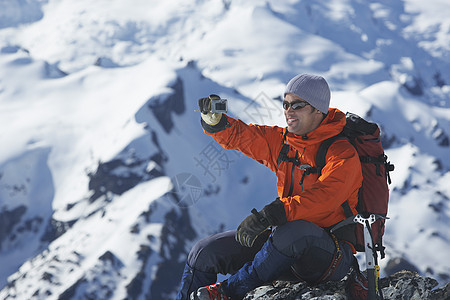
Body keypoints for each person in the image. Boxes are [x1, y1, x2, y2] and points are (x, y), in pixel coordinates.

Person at [177, 74, 364, 300]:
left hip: (328, 257)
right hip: (282, 249)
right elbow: (244, 136)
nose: (288, 111)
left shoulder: (342, 154)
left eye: (297, 105)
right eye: (285, 104)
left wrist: (272, 215)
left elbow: (326, 198)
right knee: (204, 252)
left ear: (318, 109)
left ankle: (227, 293)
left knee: (292, 231)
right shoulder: (284, 143)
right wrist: (216, 122)